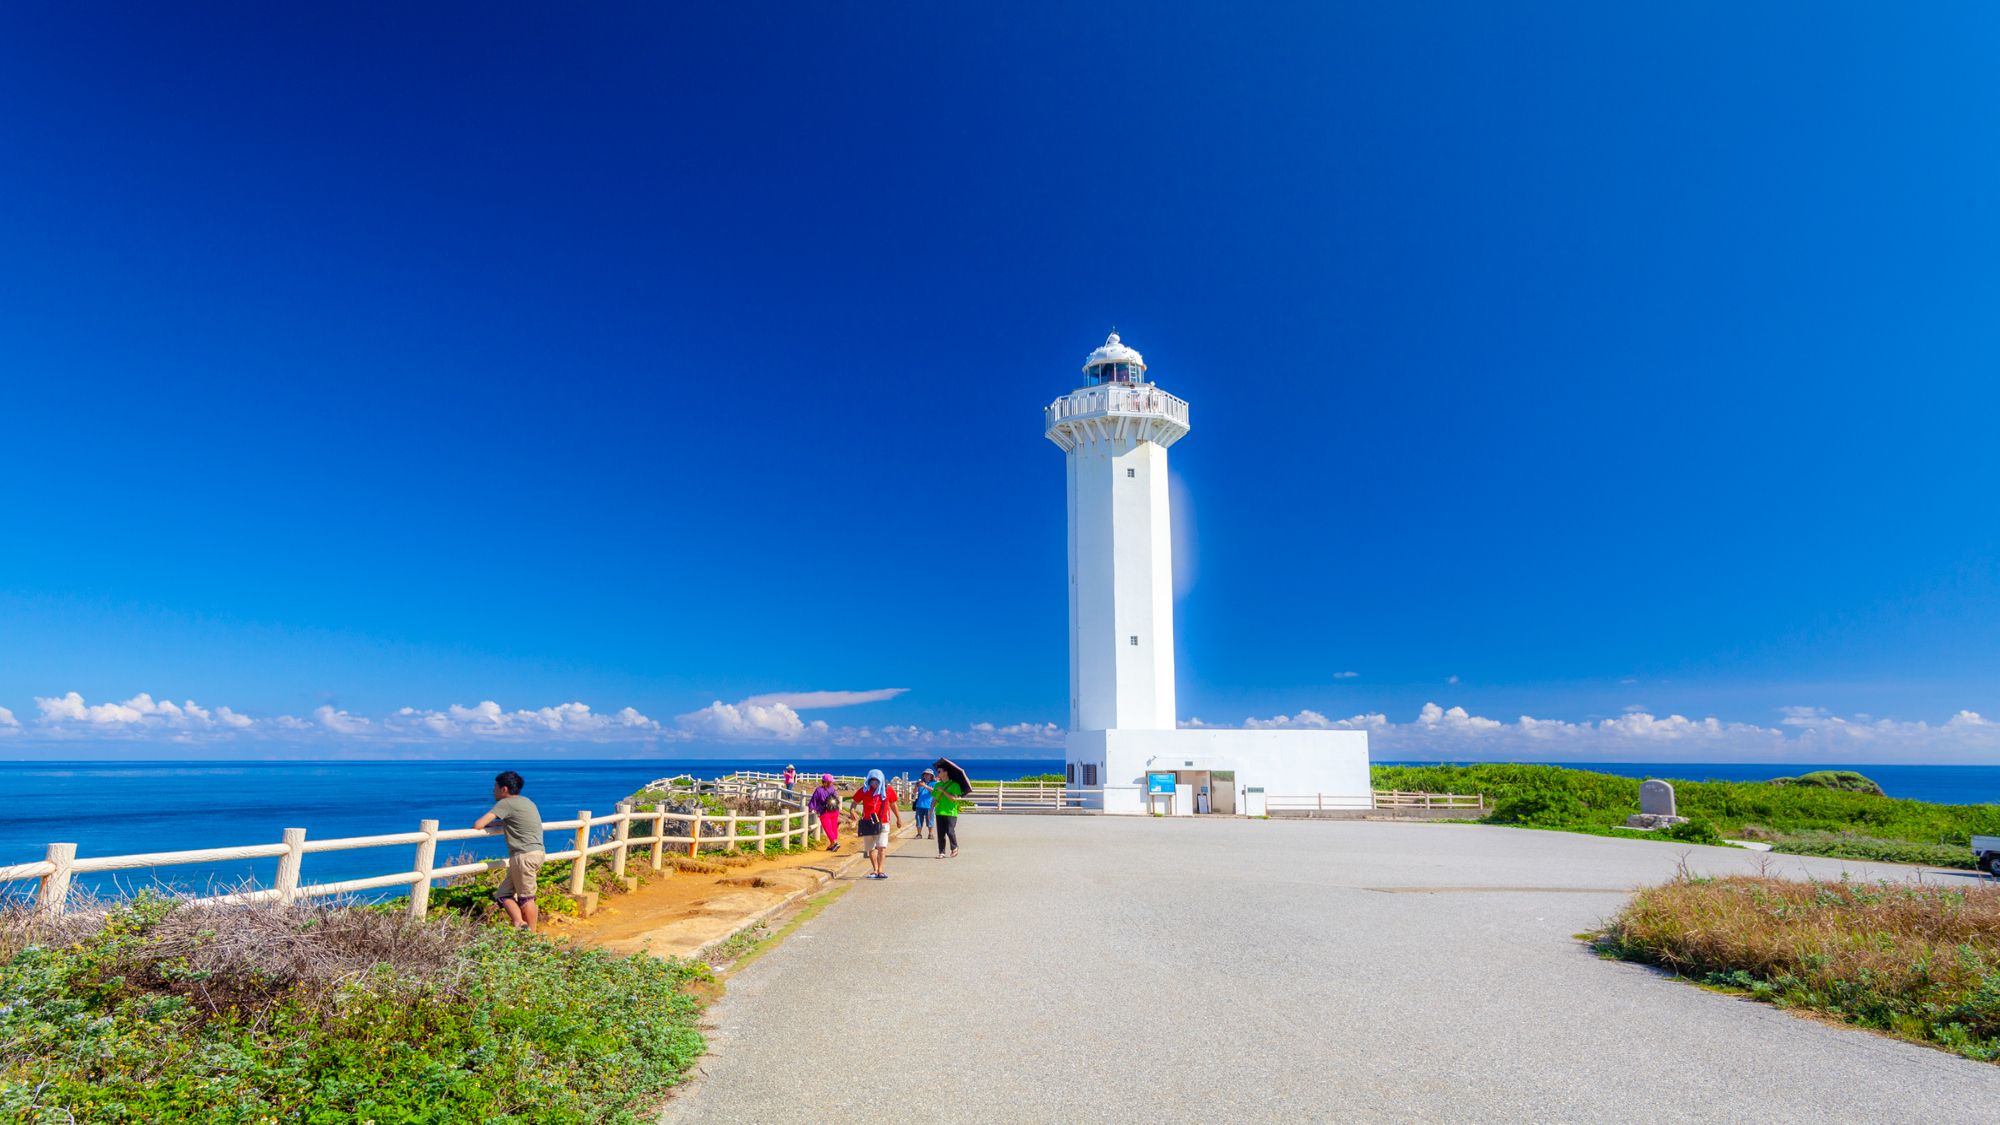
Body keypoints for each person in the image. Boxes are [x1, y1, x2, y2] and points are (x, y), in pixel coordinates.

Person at [473, 770, 544, 930]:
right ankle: (520, 924)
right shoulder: (526, 802)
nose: (493, 790)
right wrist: (500, 824)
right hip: (535, 853)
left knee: (527, 898)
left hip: (523, 856)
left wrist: (485, 824)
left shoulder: (505, 803)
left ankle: (531, 938)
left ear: (504, 789)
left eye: (495, 787)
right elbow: (515, 822)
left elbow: (479, 824)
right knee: (503, 895)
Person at [850, 769, 901, 879]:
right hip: (867, 822)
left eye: (876, 780)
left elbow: (893, 805)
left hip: (883, 822)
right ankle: (875, 870)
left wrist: (898, 818)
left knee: (881, 847)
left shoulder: (888, 790)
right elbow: (854, 802)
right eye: (872, 780)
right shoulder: (864, 790)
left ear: (881, 780)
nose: (874, 783)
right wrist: (852, 811)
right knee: (871, 848)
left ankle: (881, 870)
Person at [932, 770, 966, 858]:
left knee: (950, 831)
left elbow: (953, 798)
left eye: (939, 771)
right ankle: (941, 852)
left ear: (946, 772)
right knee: (940, 833)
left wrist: (943, 790)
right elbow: (935, 798)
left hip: (950, 812)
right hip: (939, 811)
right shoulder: (937, 785)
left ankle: (954, 847)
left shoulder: (954, 785)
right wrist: (931, 810)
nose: (937, 773)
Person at [810, 774, 842, 852]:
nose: (831, 783)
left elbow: (813, 800)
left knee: (828, 829)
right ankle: (832, 844)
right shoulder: (833, 789)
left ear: (823, 781)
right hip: (835, 811)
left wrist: (811, 809)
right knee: (834, 827)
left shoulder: (819, 790)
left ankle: (834, 843)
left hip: (825, 812)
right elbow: (837, 799)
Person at [911, 769, 936, 839]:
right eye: (925, 774)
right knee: (918, 820)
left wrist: (925, 786)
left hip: (929, 805)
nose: (926, 775)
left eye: (928, 774)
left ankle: (930, 834)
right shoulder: (920, 783)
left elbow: (934, 792)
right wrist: (916, 785)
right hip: (919, 805)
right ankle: (919, 834)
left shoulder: (934, 783)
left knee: (930, 820)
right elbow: (914, 792)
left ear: (931, 776)